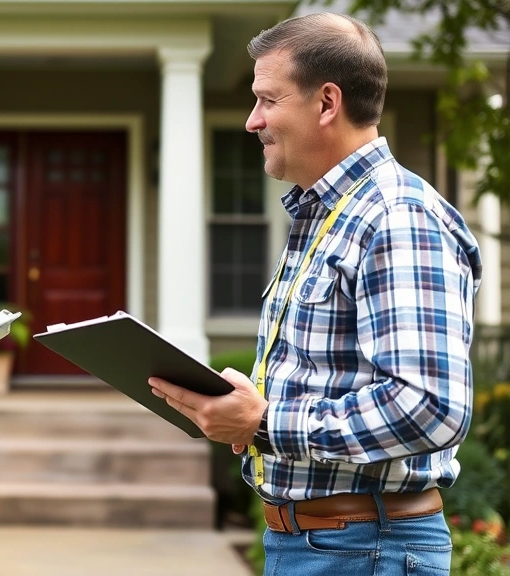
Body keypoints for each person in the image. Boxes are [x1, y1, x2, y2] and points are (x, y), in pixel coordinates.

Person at [149, 12, 482, 574]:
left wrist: (264, 423)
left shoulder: (396, 217)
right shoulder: (329, 215)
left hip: (367, 546)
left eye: (267, 100)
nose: (253, 121)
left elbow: (429, 407)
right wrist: (244, 405)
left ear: (327, 103)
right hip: (324, 543)